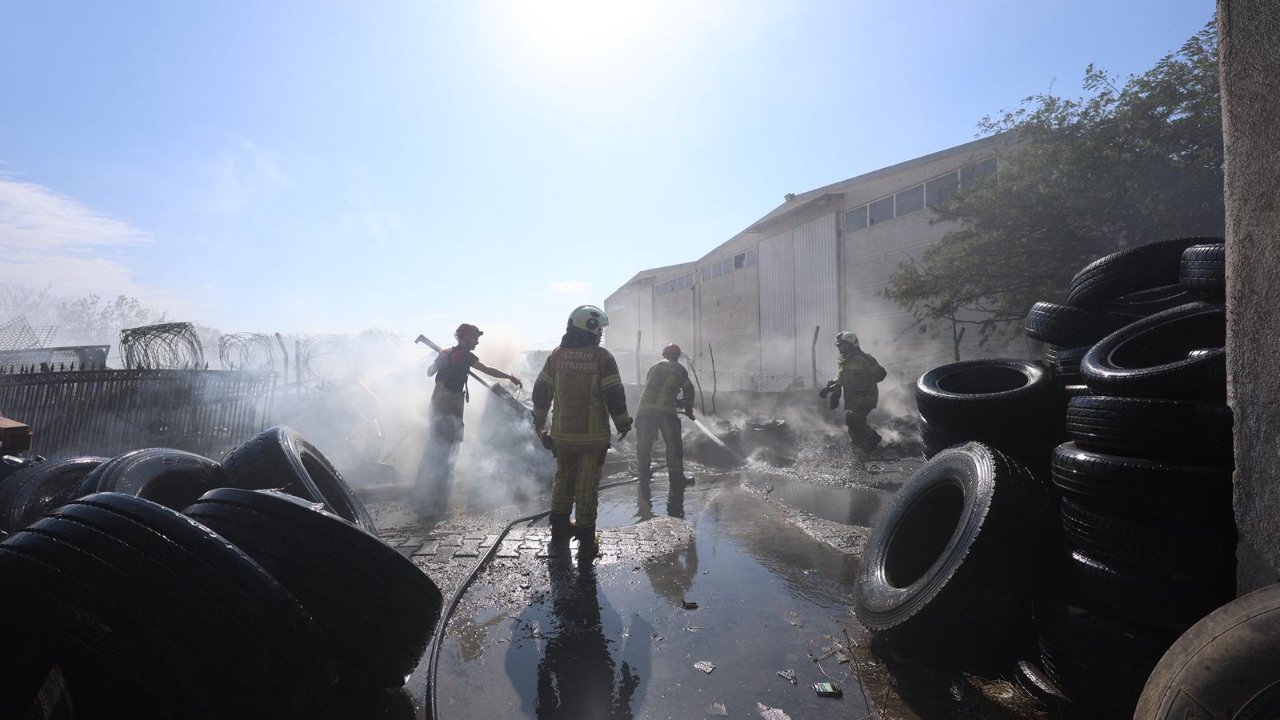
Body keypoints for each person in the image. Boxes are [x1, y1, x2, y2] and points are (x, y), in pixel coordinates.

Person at [532, 305, 633, 558]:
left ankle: (560, 529)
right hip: (591, 439)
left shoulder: (556, 356)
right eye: (599, 329)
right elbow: (615, 396)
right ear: (588, 328)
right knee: (586, 486)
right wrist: (623, 424)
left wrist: (538, 420)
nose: (601, 334)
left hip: (562, 437)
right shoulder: (603, 358)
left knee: (563, 480)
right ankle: (587, 539)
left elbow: (541, 391)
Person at [415, 323, 522, 515]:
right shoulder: (464, 355)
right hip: (449, 403)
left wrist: (441, 361)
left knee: (437, 443)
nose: (478, 341)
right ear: (466, 338)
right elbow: (488, 369)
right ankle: (439, 494)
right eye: (475, 338)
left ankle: (426, 488)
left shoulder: (448, 353)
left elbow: (430, 372)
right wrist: (509, 377)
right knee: (449, 445)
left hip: (437, 401)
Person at [635, 343, 696, 485]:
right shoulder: (679, 369)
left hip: (644, 410)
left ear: (664, 354)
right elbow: (689, 389)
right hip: (664, 411)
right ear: (677, 356)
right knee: (674, 444)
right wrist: (688, 408)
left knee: (644, 443)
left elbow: (655, 388)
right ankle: (677, 478)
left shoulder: (654, 367)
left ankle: (643, 474)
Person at [819, 331, 887, 455]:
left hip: (866, 397)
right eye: (840, 345)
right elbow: (841, 378)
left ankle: (873, 438)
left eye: (844, 345)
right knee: (851, 424)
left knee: (854, 419)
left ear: (852, 344)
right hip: (852, 399)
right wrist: (829, 388)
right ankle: (859, 448)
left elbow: (881, 374)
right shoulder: (844, 361)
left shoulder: (864, 359)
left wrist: (869, 376)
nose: (841, 348)